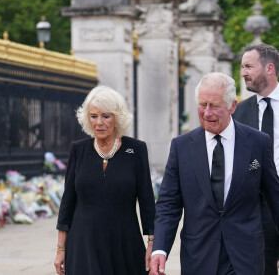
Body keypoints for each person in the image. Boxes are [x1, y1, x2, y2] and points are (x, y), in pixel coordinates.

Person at [150, 72, 279, 275]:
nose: (207, 113)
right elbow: (168, 204)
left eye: (215, 106)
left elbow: (275, 198)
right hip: (199, 256)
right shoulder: (181, 147)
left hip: (246, 257)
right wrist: (159, 249)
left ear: (232, 107)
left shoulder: (258, 143)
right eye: (202, 105)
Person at [54, 85, 155, 275]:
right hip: (83, 244)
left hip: (124, 243)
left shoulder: (136, 150)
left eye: (105, 116)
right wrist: (61, 249)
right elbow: (67, 204)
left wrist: (152, 245)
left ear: (117, 118)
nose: (99, 122)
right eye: (94, 116)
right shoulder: (78, 150)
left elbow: (147, 203)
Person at [233, 43, 279, 275]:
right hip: (255, 209)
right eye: (242, 67)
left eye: (248, 66)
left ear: (269, 68)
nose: (243, 73)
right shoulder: (238, 113)